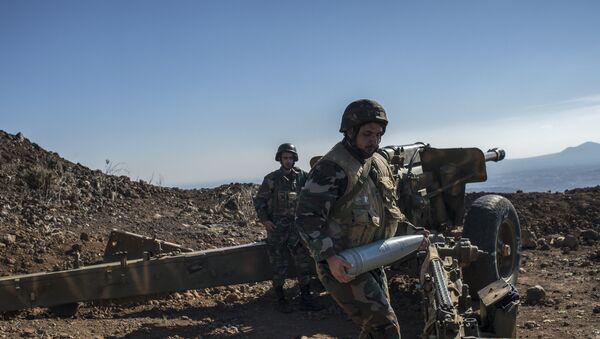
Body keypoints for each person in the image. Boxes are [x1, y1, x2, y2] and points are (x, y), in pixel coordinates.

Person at [296, 99, 426, 338]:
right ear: (350, 131)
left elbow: (388, 210)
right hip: (343, 264)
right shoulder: (332, 168)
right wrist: (330, 257)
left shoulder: (378, 162)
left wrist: (414, 234)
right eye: (367, 134)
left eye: (378, 135)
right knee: (385, 328)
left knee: (373, 328)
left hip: (372, 257)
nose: (374, 141)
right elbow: (306, 219)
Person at [254, 143, 324, 313]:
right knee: (278, 264)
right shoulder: (271, 179)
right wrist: (265, 221)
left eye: (290, 158)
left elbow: (314, 195)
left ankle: (306, 299)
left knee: (303, 263)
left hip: (297, 228)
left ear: (294, 159)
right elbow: (260, 201)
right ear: (280, 159)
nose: (288, 161)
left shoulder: (302, 177)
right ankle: (281, 300)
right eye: (285, 158)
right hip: (277, 228)